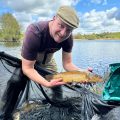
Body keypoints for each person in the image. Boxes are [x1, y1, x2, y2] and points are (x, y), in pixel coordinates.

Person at [0, 5, 91, 120]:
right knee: (16, 81)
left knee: (58, 86)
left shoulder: (68, 38)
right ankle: (7, 111)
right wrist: (46, 83)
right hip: (28, 58)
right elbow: (28, 68)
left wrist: (81, 73)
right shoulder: (34, 31)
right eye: (61, 26)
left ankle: (57, 107)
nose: (63, 33)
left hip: (48, 60)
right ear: (54, 18)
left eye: (68, 30)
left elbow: (67, 64)